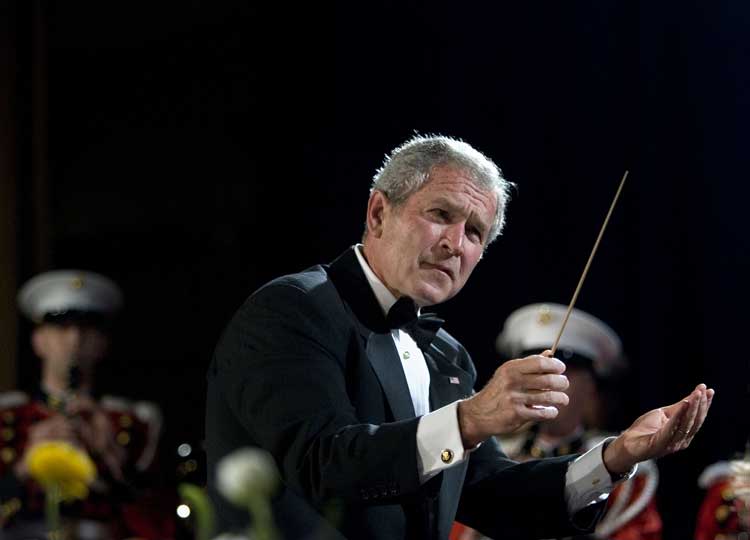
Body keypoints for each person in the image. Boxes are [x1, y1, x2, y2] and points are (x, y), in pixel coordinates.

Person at [205, 135, 714, 539]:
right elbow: (322, 464)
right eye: (441, 215)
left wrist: (618, 455)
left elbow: (492, 494)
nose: (454, 244)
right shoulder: (293, 309)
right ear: (378, 213)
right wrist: (471, 418)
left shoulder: (446, 356)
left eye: (475, 232)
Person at [0, 270, 173, 539]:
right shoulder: (7, 416)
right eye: (61, 329)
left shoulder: (134, 422)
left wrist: (115, 462)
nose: (74, 341)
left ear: (103, 344)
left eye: (86, 330)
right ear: (38, 341)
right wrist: (23, 467)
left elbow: (165, 527)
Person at [473, 302, 660, 540]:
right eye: (536, 373)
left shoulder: (623, 467)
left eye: (561, 373)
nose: (545, 384)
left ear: (591, 386)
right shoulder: (493, 455)